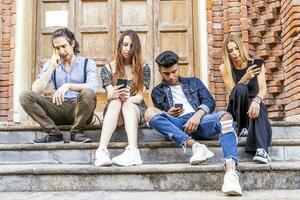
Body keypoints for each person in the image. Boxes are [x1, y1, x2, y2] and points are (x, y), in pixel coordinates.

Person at [144, 51, 242, 196]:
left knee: (226, 117)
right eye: (166, 74)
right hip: (178, 125)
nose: (171, 77)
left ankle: (231, 172)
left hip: (201, 120)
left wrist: (197, 115)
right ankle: (195, 146)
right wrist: (168, 113)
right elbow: (163, 122)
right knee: (149, 112)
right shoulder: (157, 92)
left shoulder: (194, 82)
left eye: (174, 72)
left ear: (178, 67)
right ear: (160, 71)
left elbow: (210, 101)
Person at [19, 27, 98, 143]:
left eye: (64, 46)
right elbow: (35, 90)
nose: (61, 51)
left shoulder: (87, 63)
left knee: (88, 93)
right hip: (57, 108)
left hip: (79, 108)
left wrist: (68, 86)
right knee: (25, 96)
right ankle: (53, 133)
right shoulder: (52, 64)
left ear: (72, 44)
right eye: (57, 48)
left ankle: (76, 133)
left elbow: (93, 87)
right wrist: (51, 68)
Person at [95, 30, 150, 167]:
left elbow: (139, 96)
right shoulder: (108, 68)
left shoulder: (144, 68)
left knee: (126, 104)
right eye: (125, 45)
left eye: (132, 46)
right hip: (115, 110)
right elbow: (109, 95)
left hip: (135, 109)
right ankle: (101, 150)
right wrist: (115, 95)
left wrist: (127, 99)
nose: (128, 49)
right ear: (120, 45)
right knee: (116, 101)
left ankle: (133, 151)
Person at [220, 34, 272, 164]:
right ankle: (242, 126)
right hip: (236, 108)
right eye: (230, 51)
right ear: (227, 53)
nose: (235, 53)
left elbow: (263, 88)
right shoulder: (224, 68)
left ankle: (261, 150)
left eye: (237, 48)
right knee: (241, 88)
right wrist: (245, 78)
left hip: (253, 106)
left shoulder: (255, 64)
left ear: (241, 48)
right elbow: (233, 91)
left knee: (258, 105)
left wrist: (257, 101)